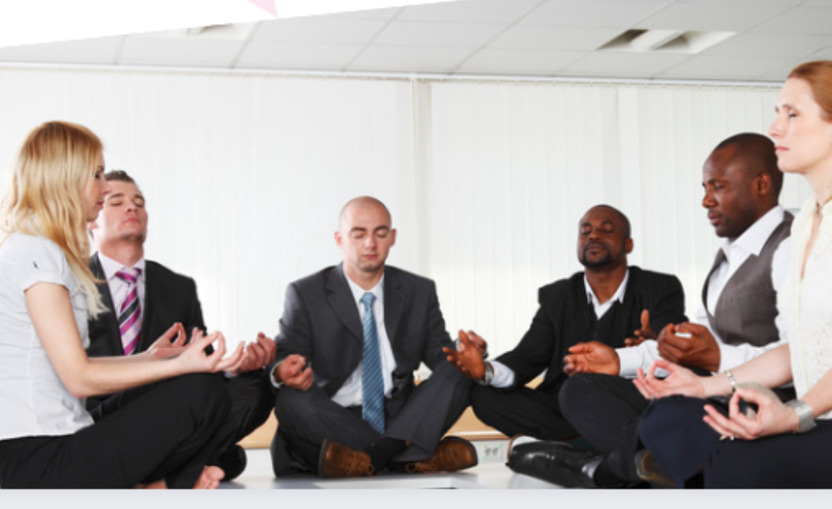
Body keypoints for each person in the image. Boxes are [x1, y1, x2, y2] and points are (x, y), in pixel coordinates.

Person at [635, 60, 832, 488]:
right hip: (824, 422)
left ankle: (708, 469)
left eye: (792, 114)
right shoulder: (806, 223)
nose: (775, 128)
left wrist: (795, 413)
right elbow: (795, 349)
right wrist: (705, 386)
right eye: (777, 113)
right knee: (672, 412)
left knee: (737, 464)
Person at [513, 133, 795, 487]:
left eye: (717, 187)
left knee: (668, 415)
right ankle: (661, 461)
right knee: (582, 390)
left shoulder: (794, 245)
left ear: (762, 184)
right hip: (707, 393)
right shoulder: (727, 256)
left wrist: (716, 360)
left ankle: (608, 470)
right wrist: (618, 360)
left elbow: (806, 359)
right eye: (704, 187)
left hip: (759, 407)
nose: (706, 200)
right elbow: (694, 345)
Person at [0, 121, 243, 489]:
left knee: (209, 393)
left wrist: (150, 357)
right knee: (202, 394)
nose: (104, 186)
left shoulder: (35, 249)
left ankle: (152, 486)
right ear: (65, 177)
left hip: (53, 444)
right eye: (96, 174)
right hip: (37, 458)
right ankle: (163, 485)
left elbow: (72, 367)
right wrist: (179, 367)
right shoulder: (37, 252)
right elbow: (79, 378)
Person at [85, 169, 276, 482]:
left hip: (166, 414)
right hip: (101, 421)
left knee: (257, 387)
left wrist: (236, 367)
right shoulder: (70, 282)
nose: (132, 208)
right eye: (116, 202)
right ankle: (193, 464)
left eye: (139, 202)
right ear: (92, 218)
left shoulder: (178, 286)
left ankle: (170, 466)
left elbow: (204, 364)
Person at [269, 196, 478, 478]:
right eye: (359, 234)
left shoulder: (419, 290)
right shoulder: (305, 293)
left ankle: (367, 459)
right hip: (335, 417)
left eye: (380, 234)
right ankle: (406, 456)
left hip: (401, 417)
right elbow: (287, 355)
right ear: (339, 239)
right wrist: (282, 370)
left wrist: (465, 353)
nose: (370, 243)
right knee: (290, 400)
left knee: (459, 371)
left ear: (392, 238)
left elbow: (439, 355)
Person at [445, 204, 686, 442]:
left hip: (622, 404)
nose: (593, 235)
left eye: (607, 229)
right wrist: (484, 370)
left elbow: (675, 349)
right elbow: (527, 357)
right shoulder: (557, 296)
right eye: (585, 230)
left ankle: (577, 446)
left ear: (628, 244)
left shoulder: (660, 288)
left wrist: (655, 342)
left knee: (666, 405)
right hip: (561, 410)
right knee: (483, 393)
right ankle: (583, 444)